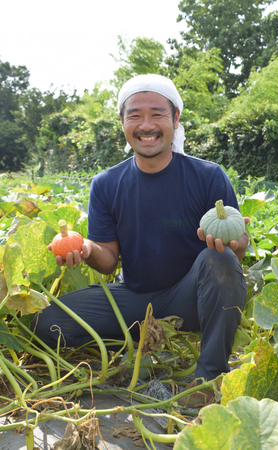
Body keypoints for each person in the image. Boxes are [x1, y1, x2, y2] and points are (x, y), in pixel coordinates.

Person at [33, 74, 249, 408]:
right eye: (135, 115)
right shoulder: (106, 184)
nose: (146, 125)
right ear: (122, 121)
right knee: (48, 323)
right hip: (135, 298)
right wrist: (87, 248)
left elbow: (238, 246)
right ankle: (143, 340)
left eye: (157, 114)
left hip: (190, 299)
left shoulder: (207, 175)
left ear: (175, 119)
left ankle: (208, 376)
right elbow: (107, 262)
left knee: (218, 260)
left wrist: (234, 243)